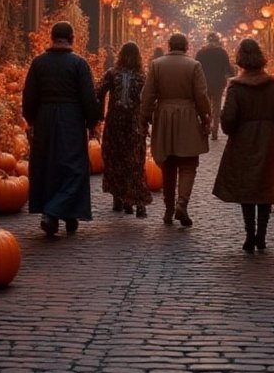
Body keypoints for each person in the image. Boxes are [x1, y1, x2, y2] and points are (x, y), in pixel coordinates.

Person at [212, 38, 274, 254]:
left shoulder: (236, 88)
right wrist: (270, 127)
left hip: (243, 139)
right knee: (265, 185)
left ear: (240, 60)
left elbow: (228, 118)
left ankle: (249, 234)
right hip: (267, 139)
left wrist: (234, 130)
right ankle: (262, 236)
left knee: (247, 185)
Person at [22, 21, 101, 236]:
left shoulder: (39, 63)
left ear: (52, 37)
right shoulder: (79, 64)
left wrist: (30, 118)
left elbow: (29, 95)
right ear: (72, 38)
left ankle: (57, 212)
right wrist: (93, 120)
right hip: (71, 119)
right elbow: (87, 96)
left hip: (45, 117)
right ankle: (57, 211)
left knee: (48, 165)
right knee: (73, 167)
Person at [140, 32, 211, 227]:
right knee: (188, 164)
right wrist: (206, 116)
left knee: (168, 163)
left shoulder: (157, 65)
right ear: (186, 46)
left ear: (169, 45)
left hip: (164, 116)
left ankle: (169, 208)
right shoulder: (194, 66)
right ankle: (182, 203)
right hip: (187, 116)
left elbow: (148, 94)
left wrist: (144, 118)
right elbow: (201, 95)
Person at [96, 41, 152, 218]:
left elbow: (97, 92)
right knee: (134, 161)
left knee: (117, 159)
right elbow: (149, 100)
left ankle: (122, 199)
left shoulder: (113, 74)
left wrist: (98, 115)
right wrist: (148, 119)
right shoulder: (142, 77)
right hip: (133, 124)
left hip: (117, 123)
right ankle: (134, 202)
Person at [195, 33, 235, 140]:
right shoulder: (222, 53)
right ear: (218, 41)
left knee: (205, 107)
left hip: (204, 83)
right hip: (218, 83)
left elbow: (195, 68)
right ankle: (215, 131)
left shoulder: (201, 52)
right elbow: (228, 69)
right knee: (216, 107)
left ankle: (206, 126)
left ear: (207, 40)